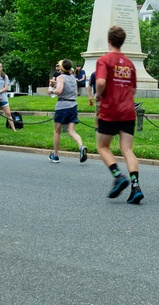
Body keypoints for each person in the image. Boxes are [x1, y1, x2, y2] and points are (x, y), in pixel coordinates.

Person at [95, 26, 142, 203]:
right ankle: (135, 186)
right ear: (122, 42)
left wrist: (99, 95)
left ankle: (118, 176)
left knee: (102, 146)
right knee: (127, 149)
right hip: (128, 110)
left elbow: (100, 81)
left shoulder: (104, 60)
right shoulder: (130, 64)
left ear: (109, 41)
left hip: (110, 110)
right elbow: (134, 89)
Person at [48, 59, 87, 164]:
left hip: (62, 106)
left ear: (61, 68)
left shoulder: (60, 77)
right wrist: (55, 84)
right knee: (72, 131)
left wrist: (51, 90)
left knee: (57, 132)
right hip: (73, 105)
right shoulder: (73, 78)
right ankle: (81, 146)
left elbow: (59, 90)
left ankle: (55, 155)